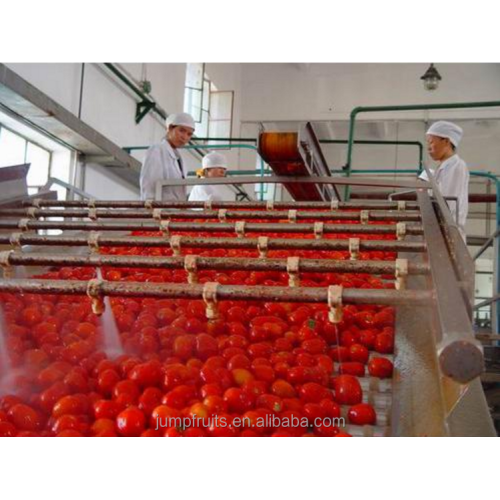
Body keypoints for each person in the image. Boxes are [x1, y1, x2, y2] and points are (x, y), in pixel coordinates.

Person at [420, 120, 469, 241]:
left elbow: (447, 204)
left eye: (431, 142)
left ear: (446, 141)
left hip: (449, 233)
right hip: (441, 230)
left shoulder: (456, 166)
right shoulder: (443, 167)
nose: (428, 147)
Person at [140, 112, 195, 201]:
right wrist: (151, 210)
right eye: (182, 130)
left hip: (174, 211)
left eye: (189, 134)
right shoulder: (156, 151)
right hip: (159, 211)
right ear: (170, 128)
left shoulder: (180, 159)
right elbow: (149, 187)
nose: (184, 137)